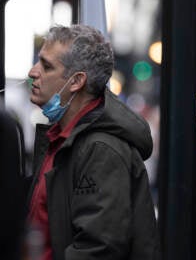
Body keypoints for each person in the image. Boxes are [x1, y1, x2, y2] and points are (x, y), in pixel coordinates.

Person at [25, 24, 160, 260]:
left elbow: (98, 249)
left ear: (76, 81)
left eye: (46, 66)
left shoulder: (101, 150)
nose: (33, 72)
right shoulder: (61, 137)